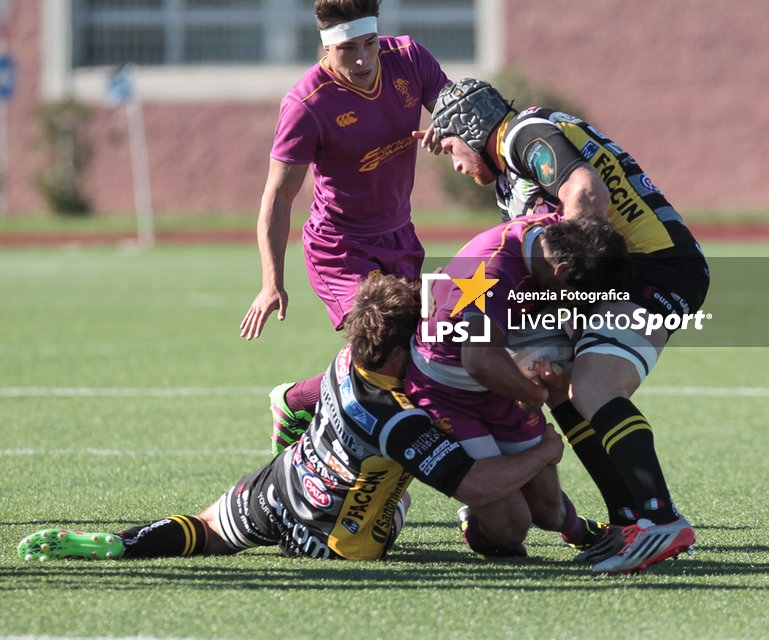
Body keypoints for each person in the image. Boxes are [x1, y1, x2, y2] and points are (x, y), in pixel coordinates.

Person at [18, 275, 566, 563]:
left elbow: (303, 396)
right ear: (400, 353)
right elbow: (478, 483)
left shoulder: (347, 359)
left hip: (283, 486)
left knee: (207, 529)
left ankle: (122, 543)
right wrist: (545, 448)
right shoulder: (403, 421)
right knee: (418, 497)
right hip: (340, 541)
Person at [426, 78, 711, 574]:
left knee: (593, 384)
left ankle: (661, 519)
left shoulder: (521, 136)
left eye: (451, 148)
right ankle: (627, 522)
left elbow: (586, 190)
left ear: (471, 130)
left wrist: (573, 284)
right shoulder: (515, 159)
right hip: (625, 270)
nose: (454, 162)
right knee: (551, 380)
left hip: (653, 266)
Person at [237, 0, 449, 454]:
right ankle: (352, 455)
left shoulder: (409, 58)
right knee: (387, 347)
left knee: (414, 354)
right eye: (347, 48)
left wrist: (446, 130)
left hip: (399, 236)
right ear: (326, 46)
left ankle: (295, 401)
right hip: (341, 247)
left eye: (369, 44)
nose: (362, 60)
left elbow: (458, 114)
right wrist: (271, 281)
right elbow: (277, 197)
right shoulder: (306, 104)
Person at [403, 212, 634, 563]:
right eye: (574, 295)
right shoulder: (492, 273)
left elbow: (586, 195)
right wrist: (537, 394)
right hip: (447, 391)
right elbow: (478, 361)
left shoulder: (553, 233)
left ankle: (576, 529)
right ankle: (476, 523)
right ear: (559, 272)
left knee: (548, 511)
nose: (572, 306)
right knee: (512, 528)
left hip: (498, 375)